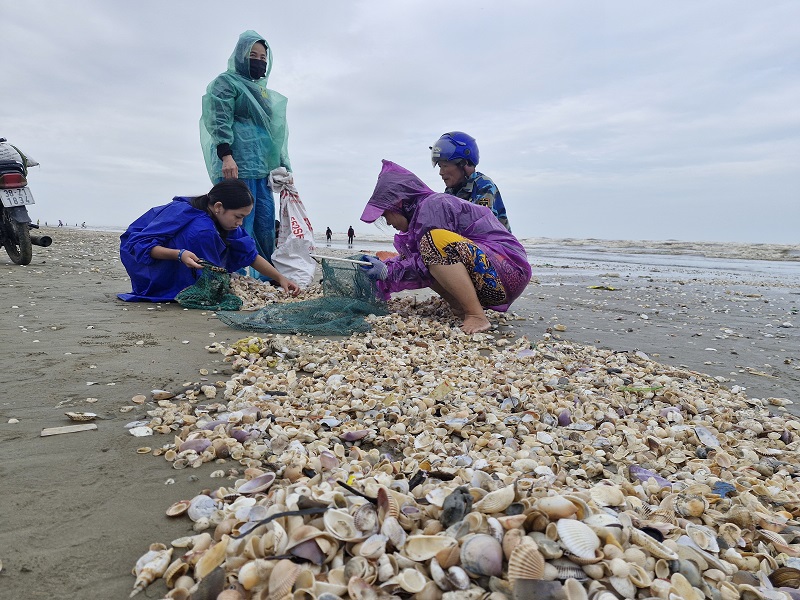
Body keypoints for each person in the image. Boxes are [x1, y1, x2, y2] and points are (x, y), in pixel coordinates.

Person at [359, 160, 531, 334]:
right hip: (492, 277)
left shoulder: (432, 206)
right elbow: (417, 262)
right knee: (420, 254)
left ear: (399, 203)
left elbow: (426, 257)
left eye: (386, 214)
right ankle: (460, 306)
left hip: (509, 272)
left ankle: (476, 315)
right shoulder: (421, 215)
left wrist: (388, 272)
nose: (387, 221)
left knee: (433, 243)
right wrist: (387, 267)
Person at [200, 30, 291, 279]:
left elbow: (276, 133)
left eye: (263, 56)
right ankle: (234, 276)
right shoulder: (226, 83)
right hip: (236, 166)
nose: (259, 60)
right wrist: (226, 155)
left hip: (262, 169)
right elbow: (219, 118)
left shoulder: (262, 93)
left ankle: (266, 279)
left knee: (263, 225)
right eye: (253, 55)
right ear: (241, 56)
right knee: (236, 225)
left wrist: (284, 166)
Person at [118, 180, 299, 303]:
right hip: (149, 268)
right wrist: (179, 255)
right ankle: (181, 285)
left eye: (244, 217)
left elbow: (249, 254)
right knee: (202, 231)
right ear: (219, 207)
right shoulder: (184, 213)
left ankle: (198, 282)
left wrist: (280, 278)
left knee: (219, 235)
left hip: (185, 258)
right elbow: (139, 245)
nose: (240, 222)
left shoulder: (224, 221)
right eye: (238, 216)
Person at [430, 131, 511, 232]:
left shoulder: (483, 186)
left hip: (496, 245)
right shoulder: (451, 192)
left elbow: (481, 226)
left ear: (464, 164)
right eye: (440, 166)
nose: (441, 172)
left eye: (445, 166)